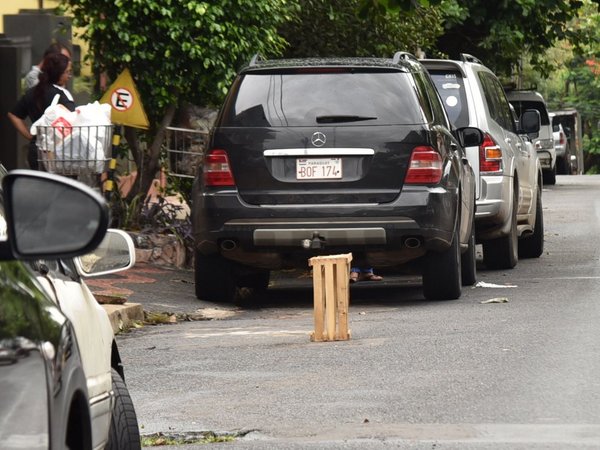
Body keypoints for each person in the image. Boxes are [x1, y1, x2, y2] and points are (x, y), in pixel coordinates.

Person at [7, 53, 75, 170]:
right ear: (58, 74)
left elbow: (13, 115)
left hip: (35, 151)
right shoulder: (62, 95)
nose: (69, 76)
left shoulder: (32, 92)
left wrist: (30, 136)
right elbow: (73, 121)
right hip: (57, 153)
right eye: (67, 72)